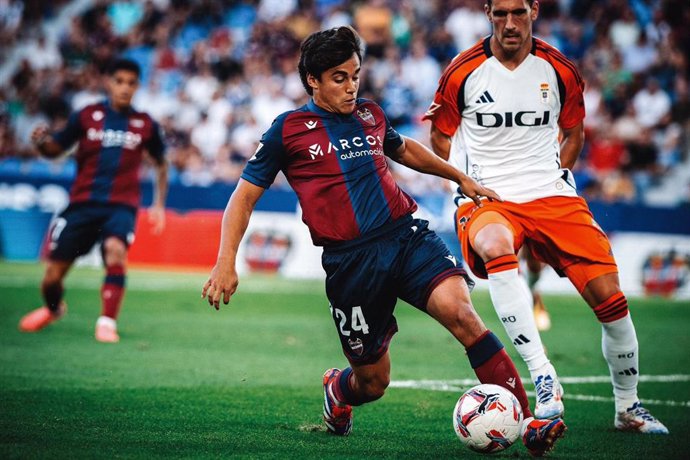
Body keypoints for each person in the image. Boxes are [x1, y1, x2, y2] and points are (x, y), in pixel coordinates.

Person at [201, 26, 566, 456]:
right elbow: (243, 197)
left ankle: (526, 426)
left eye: (355, 74)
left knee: (463, 315)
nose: (351, 85)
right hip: (350, 263)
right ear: (312, 81)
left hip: (405, 236)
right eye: (339, 77)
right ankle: (339, 390)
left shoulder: (370, 114)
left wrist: (461, 176)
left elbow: (402, 148)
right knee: (372, 383)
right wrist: (226, 260)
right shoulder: (288, 130)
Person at [424, 0, 668, 434]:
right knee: (497, 249)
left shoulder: (560, 70)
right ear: (487, 12)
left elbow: (573, 133)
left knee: (613, 303)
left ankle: (628, 407)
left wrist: (560, 175)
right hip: (488, 195)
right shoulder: (462, 71)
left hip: (552, 196)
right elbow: (439, 138)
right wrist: (463, 182)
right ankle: (543, 375)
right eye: (500, 13)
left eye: (518, 11)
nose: (510, 23)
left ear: (535, 9)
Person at [18, 58, 168, 343]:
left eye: (131, 83)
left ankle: (107, 321)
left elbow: (161, 163)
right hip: (82, 205)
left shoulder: (145, 124)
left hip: (121, 206)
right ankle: (53, 309)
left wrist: (159, 204)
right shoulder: (86, 116)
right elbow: (55, 149)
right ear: (108, 82)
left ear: (137, 87)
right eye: (119, 81)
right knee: (51, 277)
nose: (124, 88)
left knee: (115, 251)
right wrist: (40, 142)